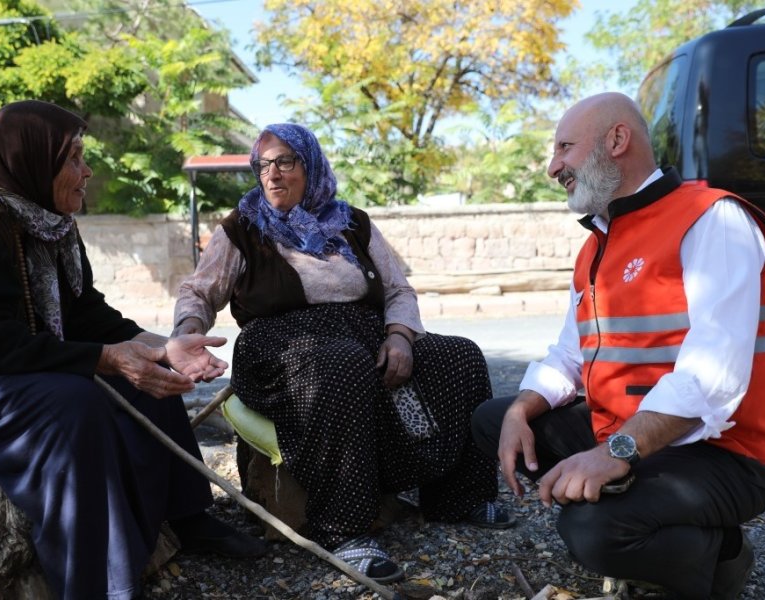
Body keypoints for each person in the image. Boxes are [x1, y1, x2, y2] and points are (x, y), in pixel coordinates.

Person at [0, 100, 265, 600]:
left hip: (2, 355)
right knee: (73, 405)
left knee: (150, 377)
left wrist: (162, 347)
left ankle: (188, 515)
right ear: (32, 159)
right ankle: (97, 581)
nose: (87, 171)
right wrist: (104, 358)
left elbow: (88, 315)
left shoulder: (45, 215)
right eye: (74, 158)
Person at [471, 92, 765, 599]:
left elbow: (710, 379)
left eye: (565, 147)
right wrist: (521, 410)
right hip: (634, 437)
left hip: (727, 454)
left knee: (590, 533)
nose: (554, 166)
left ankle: (718, 557)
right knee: (496, 418)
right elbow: (569, 355)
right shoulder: (596, 244)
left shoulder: (712, 220)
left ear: (617, 139)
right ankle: (636, 512)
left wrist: (614, 453)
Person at [173, 123, 512, 583]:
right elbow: (199, 291)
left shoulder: (353, 223)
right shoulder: (241, 229)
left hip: (363, 335)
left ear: (310, 167)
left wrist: (399, 337)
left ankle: (460, 496)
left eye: (285, 162)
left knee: (460, 355)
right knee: (342, 365)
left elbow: (398, 290)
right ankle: (345, 529)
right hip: (280, 345)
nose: (272, 175)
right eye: (263, 165)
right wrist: (187, 332)